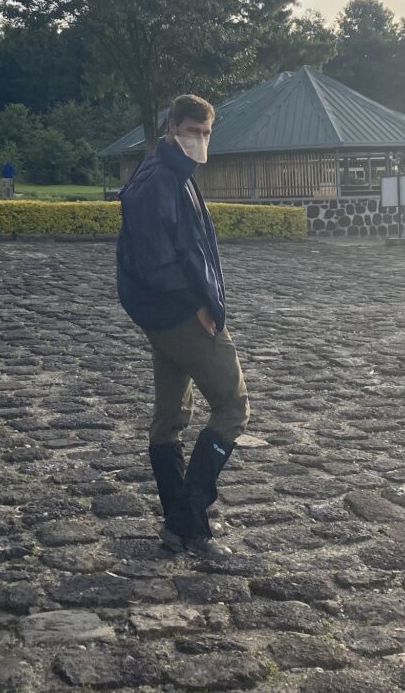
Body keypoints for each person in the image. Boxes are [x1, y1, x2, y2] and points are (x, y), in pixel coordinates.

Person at [116, 94, 250, 558]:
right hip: (181, 315)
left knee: (169, 418)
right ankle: (189, 517)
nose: (200, 140)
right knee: (233, 407)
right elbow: (157, 260)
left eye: (207, 132)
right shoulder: (159, 180)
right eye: (193, 130)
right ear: (172, 127)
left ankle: (177, 527)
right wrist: (199, 305)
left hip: (162, 316)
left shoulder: (171, 172)